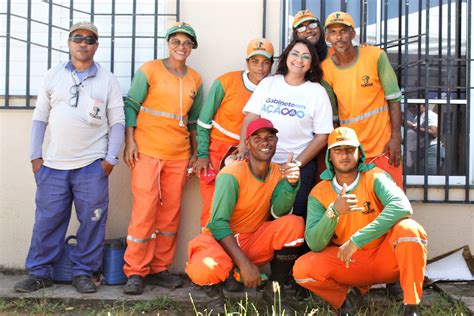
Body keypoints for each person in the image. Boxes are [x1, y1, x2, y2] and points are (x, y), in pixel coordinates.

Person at [14, 21, 125, 294]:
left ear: (96, 46)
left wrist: (110, 160)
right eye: (78, 38)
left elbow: (118, 122)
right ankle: (40, 273)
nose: (83, 43)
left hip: (92, 166)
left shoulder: (108, 80)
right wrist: (35, 157)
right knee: (47, 221)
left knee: (92, 221)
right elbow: (40, 117)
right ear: (69, 42)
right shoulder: (53, 75)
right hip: (52, 165)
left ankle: (84, 273)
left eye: (89, 39)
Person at [293, 127, 427, 316]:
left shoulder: (375, 177)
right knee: (302, 269)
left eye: (350, 149)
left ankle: (411, 307)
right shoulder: (319, 192)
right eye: (338, 150)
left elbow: (401, 207)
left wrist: (357, 240)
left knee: (410, 229)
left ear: (359, 153)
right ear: (329, 156)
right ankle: (346, 300)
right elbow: (314, 243)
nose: (345, 155)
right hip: (348, 262)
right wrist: (333, 212)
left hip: (385, 258)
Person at [186, 118, 305, 313]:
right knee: (203, 267)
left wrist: (290, 185)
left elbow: (279, 213)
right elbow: (217, 224)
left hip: (251, 239)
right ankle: (215, 299)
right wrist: (245, 265)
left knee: (294, 224)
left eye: (269, 137)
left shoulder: (277, 172)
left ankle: (275, 290)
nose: (264, 142)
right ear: (247, 144)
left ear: (276, 141)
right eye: (257, 138)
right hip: (220, 241)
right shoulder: (232, 174)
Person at [122, 22, 203, 295]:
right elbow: (131, 105)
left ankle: (160, 268)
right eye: (176, 41)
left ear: (192, 47)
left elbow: (194, 122)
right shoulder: (149, 69)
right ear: (169, 43)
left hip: (179, 155)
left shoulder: (196, 79)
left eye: (187, 43)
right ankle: (135, 271)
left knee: (170, 214)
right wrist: (129, 141)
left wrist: (195, 153)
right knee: (144, 211)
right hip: (147, 150)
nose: (181, 47)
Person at [240, 38, 333, 221]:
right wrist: (243, 148)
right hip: (262, 163)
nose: (299, 60)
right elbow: (251, 117)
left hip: (298, 166)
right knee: (259, 216)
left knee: (292, 220)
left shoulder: (316, 92)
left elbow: (322, 136)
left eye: (306, 56)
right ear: (286, 57)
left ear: (311, 64)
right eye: (295, 54)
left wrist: (295, 164)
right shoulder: (269, 84)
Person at [195, 38, 274, 229]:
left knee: (243, 209)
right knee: (212, 207)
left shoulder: (274, 89)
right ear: (247, 62)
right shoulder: (225, 82)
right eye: (255, 62)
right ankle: (207, 254)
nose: (260, 68)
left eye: (265, 62)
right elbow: (203, 122)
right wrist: (203, 154)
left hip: (252, 156)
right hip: (218, 152)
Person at [321, 11, 404, 188]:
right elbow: (333, 116)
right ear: (327, 37)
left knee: (393, 204)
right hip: (351, 152)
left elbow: (394, 99)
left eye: (343, 31)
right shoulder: (326, 69)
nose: (339, 37)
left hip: (383, 148)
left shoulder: (375, 56)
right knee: (360, 208)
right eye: (333, 32)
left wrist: (396, 136)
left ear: (353, 34)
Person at [406, 103, 444, 175]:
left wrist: (412, 126)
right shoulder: (418, 117)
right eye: (409, 106)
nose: (411, 108)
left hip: (430, 151)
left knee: (429, 178)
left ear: (423, 105)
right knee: (422, 178)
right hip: (422, 151)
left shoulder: (429, 115)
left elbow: (433, 133)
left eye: (414, 106)